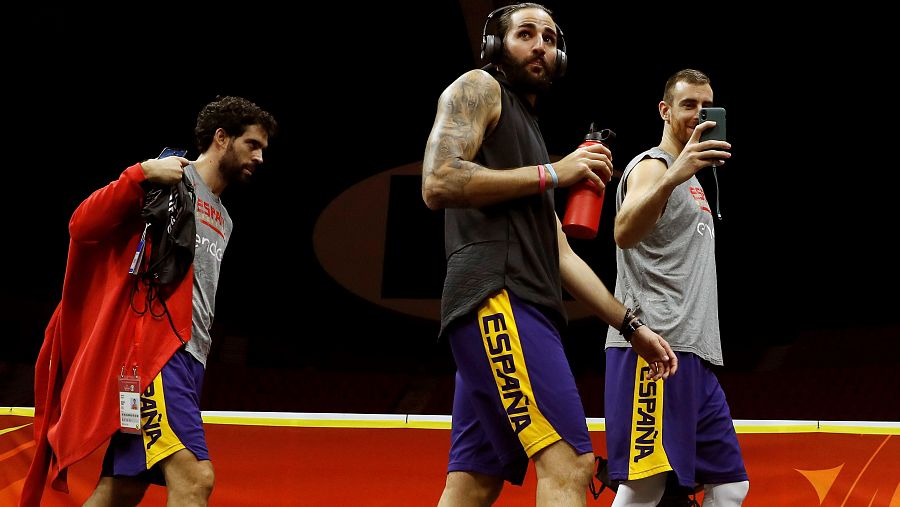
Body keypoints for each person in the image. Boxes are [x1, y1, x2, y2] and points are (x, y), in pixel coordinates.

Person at [421, 4, 678, 505]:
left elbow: (558, 252)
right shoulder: (479, 86)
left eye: (550, 37)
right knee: (570, 463)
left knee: (474, 481)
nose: (541, 44)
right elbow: (439, 180)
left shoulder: (531, 134)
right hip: (498, 296)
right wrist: (556, 173)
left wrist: (631, 326)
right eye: (525, 33)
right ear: (496, 46)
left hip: (517, 304)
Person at [20, 96, 277, 507]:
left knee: (121, 490)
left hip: (191, 360)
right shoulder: (166, 179)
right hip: (156, 355)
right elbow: (81, 225)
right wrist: (138, 174)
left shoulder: (225, 218)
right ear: (222, 138)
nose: (261, 157)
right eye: (253, 144)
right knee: (195, 479)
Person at [603, 69, 749, 506]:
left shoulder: (694, 178)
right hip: (653, 348)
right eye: (688, 105)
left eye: (707, 107)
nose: (699, 114)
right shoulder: (654, 166)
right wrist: (673, 174)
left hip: (695, 354)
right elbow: (623, 231)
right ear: (665, 111)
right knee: (644, 487)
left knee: (729, 484)